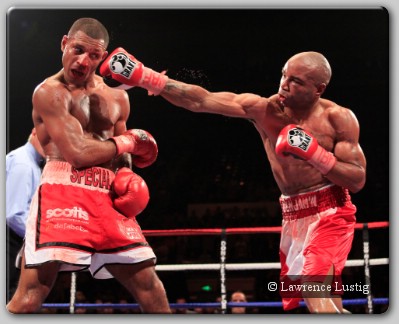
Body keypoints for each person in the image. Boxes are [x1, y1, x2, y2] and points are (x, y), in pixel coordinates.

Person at [100, 49, 367, 313]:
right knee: (330, 303)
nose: (284, 84)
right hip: (293, 217)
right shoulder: (266, 110)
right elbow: (202, 100)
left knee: (314, 291)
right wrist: (147, 77)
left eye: (296, 81)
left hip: (330, 212)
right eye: (284, 75)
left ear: (319, 89)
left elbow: (356, 179)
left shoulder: (338, 118)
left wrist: (316, 153)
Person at [6, 18, 171, 314]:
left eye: (94, 55)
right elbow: (78, 153)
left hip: (106, 194)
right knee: (31, 294)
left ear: (103, 57)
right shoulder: (49, 92)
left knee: (151, 288)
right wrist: (129, 143)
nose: (83, 61)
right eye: (78, 49)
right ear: (64, 43)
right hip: (62, 189)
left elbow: (121, 152)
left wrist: (127, 175)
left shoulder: (118, 97)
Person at [6, 127, 45, 301]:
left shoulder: (34, 164)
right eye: (48, 139)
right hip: (9, 240)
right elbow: (14, 215)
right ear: (35, 131)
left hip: (15, 241)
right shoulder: (24, 163)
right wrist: (42, 239)